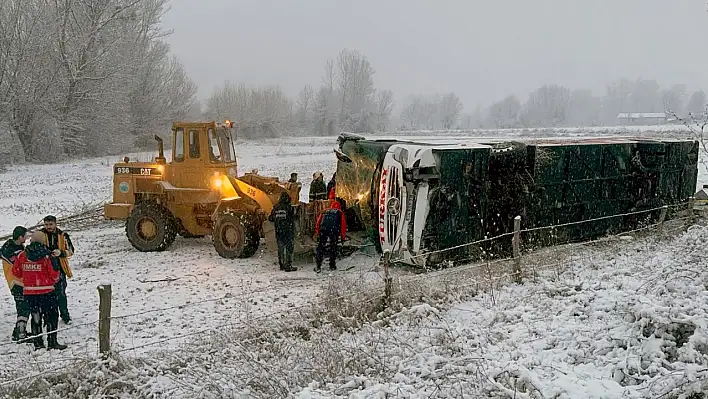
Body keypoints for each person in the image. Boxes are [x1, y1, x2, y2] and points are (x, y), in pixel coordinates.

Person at [13, 231, 66, 350]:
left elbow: (16, 272)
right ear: (44, 241)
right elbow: (55, 274)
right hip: (47, 291)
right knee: (52, 316)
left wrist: (28, 277)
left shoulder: (22, 255)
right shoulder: (48, 256)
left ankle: (38, 343)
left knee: (35, 316)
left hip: (30, 292)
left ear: (31, 241)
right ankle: (52, 342)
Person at [40, 215, 74, 325]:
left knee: (61, 294)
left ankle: (65, 315)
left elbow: (71, 251)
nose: (48, 227)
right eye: (46, 224)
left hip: (59, 268)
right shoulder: (40, 235)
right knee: (45, 295)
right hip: (44, 270)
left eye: (50, 224)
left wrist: (61, 253)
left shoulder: (62, 235)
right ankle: (47, 317)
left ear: (55, 224)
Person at [1, 226, 29, 342]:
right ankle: (20, 333)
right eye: (25, 236)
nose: (27, 238)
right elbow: (17, 263)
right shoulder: (9, 249)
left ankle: (18, 330)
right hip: (15, 282)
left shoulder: (18, 246)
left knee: (23, 307)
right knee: (23, 307)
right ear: (20, 237)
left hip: (21, 281)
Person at [314, 200, 347, 273]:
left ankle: (318, 265)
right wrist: (343, 237)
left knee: (321, 247)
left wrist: (317, 232)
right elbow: (343, 226)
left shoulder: (325, 211)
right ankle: (332, 265)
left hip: (323, 229)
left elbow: (318, 221)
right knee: (333, 247)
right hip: (334, 230)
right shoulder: (340, 212)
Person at [268, 192, 297, 272]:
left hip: (279, 231)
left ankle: (281, 265)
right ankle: (288, 266)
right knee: (288, 248)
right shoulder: (289, 207)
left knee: (280, 248)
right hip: (288, 231)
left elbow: (270, 218)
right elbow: (293, 218)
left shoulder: (275, 207)